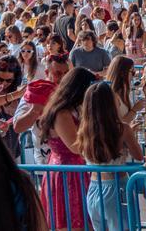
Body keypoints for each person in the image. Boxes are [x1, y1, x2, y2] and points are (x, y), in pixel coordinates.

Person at [37, 67, 96, 231]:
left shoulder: (74, 109)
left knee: (86, 223)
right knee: (71, 223)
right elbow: (75, 146)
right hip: (67, 174)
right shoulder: (61, 113)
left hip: (77, 170)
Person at [78, 82, 142, 231]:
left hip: (93, 188)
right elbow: (138, 155)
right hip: (117, 188)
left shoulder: (84, 130)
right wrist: (130, 137)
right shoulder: (122, 128)